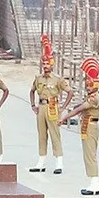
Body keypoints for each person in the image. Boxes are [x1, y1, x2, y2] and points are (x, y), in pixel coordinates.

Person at [60, 58, 99, 196]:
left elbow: (80, 109)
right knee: (88, 155)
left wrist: (65, 118)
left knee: (90, 155)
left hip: (91, 126)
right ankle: (92, 182)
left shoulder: (94, 98)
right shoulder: (91, 96)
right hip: (87, 125)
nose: (87, 86)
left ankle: (94, 184)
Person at [28, 37, 71, 174]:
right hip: (41, 107)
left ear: (52, 65)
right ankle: (41, 161)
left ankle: (59, 162)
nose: (46, 66)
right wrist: (33, 105)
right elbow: (32, 91)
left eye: (48, 64)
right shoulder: (38, 78)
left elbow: (70, 92)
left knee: (54, 134)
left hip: (53, 107)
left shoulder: (57, 79)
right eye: (44, 63)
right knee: (41, 134)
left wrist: (63, 107)